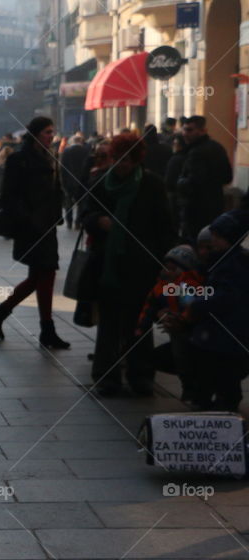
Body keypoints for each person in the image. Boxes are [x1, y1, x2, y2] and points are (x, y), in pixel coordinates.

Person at [79, 133, 176, 396]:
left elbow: (165, 225)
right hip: (107, 264)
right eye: (116, 158)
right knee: (109, 322)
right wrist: (98, 221)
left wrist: (166, 261)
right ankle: (106, 376)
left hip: (141, 264)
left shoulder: (151, 184)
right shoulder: (101, 183)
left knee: (138, 322)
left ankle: (141, 375)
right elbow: (85, 214)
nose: (120, 165)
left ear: (136, 160)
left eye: (126, 160)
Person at [0, 116, 70, 349]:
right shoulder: (19, 159)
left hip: (48, 225)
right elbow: (9, 195)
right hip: (31, 228)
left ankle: (2, 313)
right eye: (46, 132)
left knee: (41, 276)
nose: (51, 136)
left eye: (52, 132)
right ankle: (45, 329)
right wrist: (28, 219)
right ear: (35, 134)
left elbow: (56, 189)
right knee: (45, 274)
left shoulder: (50, 156)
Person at [178, 210, 249, 410]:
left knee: (223, 371)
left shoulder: (233, 264)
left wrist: (197, 302)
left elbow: (225, 296)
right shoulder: (223, 259)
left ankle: (223, 403)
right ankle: (209, 400)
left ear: (229, 239)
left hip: (226, 331)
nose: (213, 241)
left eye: (217, 237)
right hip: (219, 331)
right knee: (211, 367)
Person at [136, 245, 204, 403]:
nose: (168, 272)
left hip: (189, 330)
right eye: (166, 267)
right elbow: (149, 306)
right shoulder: (161, 286)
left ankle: (194, 389)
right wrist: (142, 326)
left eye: (173, 269)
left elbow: (191, 307)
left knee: (189, 360)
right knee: (181, 359)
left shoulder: (187, 286)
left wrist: (180, 320)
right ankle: (188, 387)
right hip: (177, 331)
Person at [175, 115, 233, 243]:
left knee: (195, 243)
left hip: (196, 209)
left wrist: (180, 182)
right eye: (184, 130)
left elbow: (194, 183)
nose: (185, 134)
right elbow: (228, 177)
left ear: (202, 131)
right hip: (216, 205)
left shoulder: (196, 152)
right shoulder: (218, 147)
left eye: (190, 130)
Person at [60, 133, 91, 229]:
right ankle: (78, 222)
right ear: (81, 141)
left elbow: (62, 168)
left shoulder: (66, 151)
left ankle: (69, 222)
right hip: (83, 181)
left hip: (69, 182)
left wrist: (63, 182)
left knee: (68, 203)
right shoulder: (86, 151)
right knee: (81, 203)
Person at [164, 133, 187, 236]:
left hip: (175, 195)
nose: (174, 145)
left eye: (176, 143)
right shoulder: (188, 156)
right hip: (183, 195)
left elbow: (169, 179)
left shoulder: (176, 159)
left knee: (175, 223)